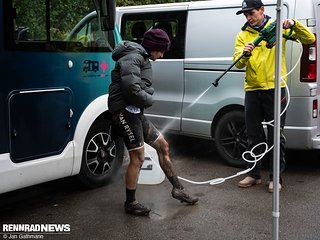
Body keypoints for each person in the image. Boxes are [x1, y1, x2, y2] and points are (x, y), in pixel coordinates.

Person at [108, 28, 199, 216]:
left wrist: (145, 94)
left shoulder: (141, 57)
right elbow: (132, 89)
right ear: (152, 47)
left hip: (135, 113)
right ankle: (130, 203)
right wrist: (148, 98)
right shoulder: (132, 58)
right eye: (161, 50)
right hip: (124, 114)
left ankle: (178, 188)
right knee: (138, 158)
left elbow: (140, 87)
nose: (162, 54)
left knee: (163, 146)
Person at [234, 0, 315, 192]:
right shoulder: (242, 34)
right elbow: (238, 64)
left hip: (275, 89)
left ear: (262, 10)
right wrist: (244, 54)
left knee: (276, 136)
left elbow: (309, 38)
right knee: (253, 134)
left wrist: (294, 24)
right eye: (245, 15)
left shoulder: (277, 28)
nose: (248, 17)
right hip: (252, 90)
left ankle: (276, 178)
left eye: (251, 13)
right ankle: (254, 174)